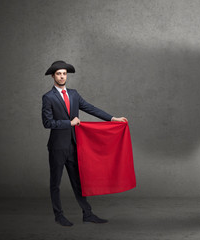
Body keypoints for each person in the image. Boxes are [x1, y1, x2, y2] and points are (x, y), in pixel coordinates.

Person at [42, 60, 127, 226]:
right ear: (53, 76)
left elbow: (90, 108)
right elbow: (47, 123)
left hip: (73, 146)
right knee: (55, 183)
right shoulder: (48, 97)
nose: (61, 76)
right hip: (57, 147)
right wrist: (69, 123)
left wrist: (112, 118)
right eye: (58, 73)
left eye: (64, 73)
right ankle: (59, 215)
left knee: (78, 182)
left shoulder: (73, 94)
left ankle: (87, 214)